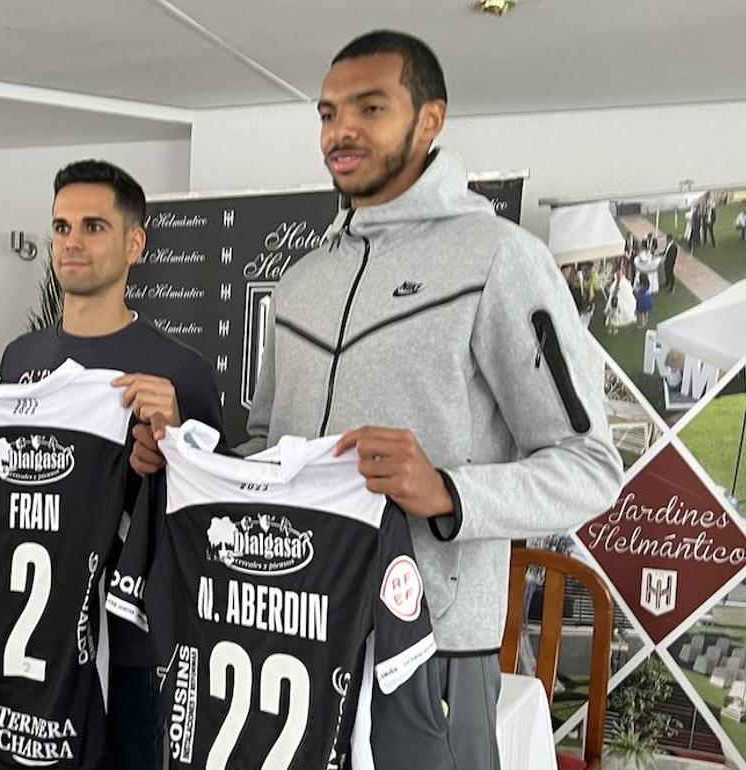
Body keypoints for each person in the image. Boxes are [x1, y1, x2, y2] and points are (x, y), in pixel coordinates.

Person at [135, 30, 623, 768]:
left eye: (370, 107)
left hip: (427, 650)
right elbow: (274, 447)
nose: (341, 131)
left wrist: (448, 491)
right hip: (285, 638)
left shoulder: (499, 258)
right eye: (328, 114)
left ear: (430, 121)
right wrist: (184, 459)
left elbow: (592, 467)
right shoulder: (302, 280)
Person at [0, 160, 223, 770]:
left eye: (94, 226)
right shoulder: (20, 358)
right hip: (33, 646)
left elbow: (213, 530)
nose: (73, 242)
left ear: (134, 243)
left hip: (135, 652)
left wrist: (174, 449)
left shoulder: (182, 372)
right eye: (61, 227)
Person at [605, 263, 637, 334]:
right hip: (616, 294)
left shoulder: (620, 280)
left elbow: (617, 288)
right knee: (613, 312)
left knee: (614, 311)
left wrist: (618, 282)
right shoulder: (619, 275)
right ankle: (613, 327)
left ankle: (613, 327)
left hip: (617, 296)